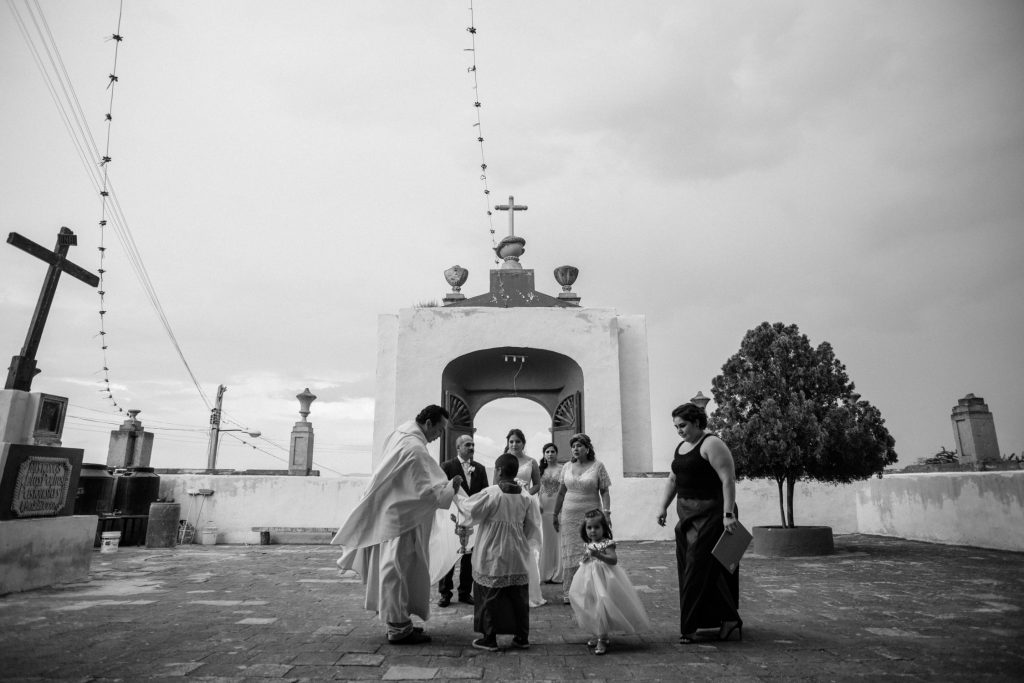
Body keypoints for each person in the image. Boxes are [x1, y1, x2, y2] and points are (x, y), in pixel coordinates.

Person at [331, 405, 462, 645]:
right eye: (440, 430)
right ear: (429, 423)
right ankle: (398, 627)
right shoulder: (414, 448)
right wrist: (451, 487)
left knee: (397, 569)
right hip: (402, 519)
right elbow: (428, 492)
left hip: (394, 512)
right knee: (396, 571)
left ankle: (401, 620)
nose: (440, 436)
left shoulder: (400, 434)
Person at [656, 402, 742, 644]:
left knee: (697, 567)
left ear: (696, 422)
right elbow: (674, 478)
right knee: (697, 568)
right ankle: (728, 618)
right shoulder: (682, 446)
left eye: (682, 425)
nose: (679, 431)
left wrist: (728, 514)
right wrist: (662, 506)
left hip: (712, 512)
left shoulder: (712, 443)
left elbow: (728, 479)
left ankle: (690, 628)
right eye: (676, 427)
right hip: (687, 514)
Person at [461, 452, 542, 651]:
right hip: (517, 550)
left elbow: (469, 512)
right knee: (518, 596)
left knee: (490, 594)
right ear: (515, 472)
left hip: (493, 550)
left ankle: (489, 638)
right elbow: (533, 526)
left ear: (497, 470)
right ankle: (522, 637)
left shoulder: (491, 493)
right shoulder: (526, 496)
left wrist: (455, 495)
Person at [568, 509, 650, 655]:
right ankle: (598, 632)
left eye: (597, 527)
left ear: (604, 528)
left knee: (602, 603)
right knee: (591, 603)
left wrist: (598, 555)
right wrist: (585, 559)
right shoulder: (587, 543)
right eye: (589, 527)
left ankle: (602, 638)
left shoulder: (607, 543)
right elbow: (587, 558)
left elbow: (613, 560)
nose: (593, 531)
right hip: (588, 578)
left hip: (604, 578)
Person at [552, 433, 611, 604]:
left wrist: (606, 513)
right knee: (570, 552)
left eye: (579, 445)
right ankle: (570, 592)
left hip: (591, 515)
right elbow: (561, 492)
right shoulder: (567, 467)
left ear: (587, 448)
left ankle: (591, 590)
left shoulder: (598, 466)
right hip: (569, 516)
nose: (575, 449)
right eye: (573, 446)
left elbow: (605, 491)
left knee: (591, 549)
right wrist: (555, 514)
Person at [438, 434, 489, 607]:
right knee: (450, 554)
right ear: (458, 447)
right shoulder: (446, 466)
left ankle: (465, 592)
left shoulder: (480, 468)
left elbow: (485, 493)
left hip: (472, 518)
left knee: (469, 558)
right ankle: (445, 593)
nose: (472, 447)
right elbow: (442, 491)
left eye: (473, 444)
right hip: (452, 518)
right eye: (468, 444)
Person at [501, 428, 546, 607]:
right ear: (507, 443)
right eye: (511, 441)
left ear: (523, 443)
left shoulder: (531, 462)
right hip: (508, 505)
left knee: (527, 543)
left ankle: (529, 590)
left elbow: (538, 485)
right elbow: (498, 483)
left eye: (517, 441)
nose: (514, 444)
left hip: (527, 504)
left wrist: (526, 491)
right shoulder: (503, 460)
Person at [538, 443, 564, 583]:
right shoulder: (541, 469)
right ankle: (546, 572)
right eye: (547, 451)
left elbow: (564, 488)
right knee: (546, 540)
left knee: (558, 539)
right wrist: (538, 503)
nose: (550, 454)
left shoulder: (563, 468)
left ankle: (559, 573)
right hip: (544, 507)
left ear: (557, 453)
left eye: (552, 451)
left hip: (558, 506)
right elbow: (539, 488)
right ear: (544, 454)